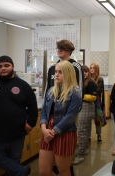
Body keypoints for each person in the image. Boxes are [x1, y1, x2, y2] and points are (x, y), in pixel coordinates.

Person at [0, 55, 38, 176]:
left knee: (14, 161)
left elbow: (32, 105)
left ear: (13, 67)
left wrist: (31, 122)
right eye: (0, 66)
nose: (3, 68)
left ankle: (20, 171)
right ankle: (23, 171)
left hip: (17, 132)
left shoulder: (22, 85)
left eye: (6, 65)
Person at [45, 39, 84, 175]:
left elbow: (78, 89)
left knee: (65, 155)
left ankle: (67, 169)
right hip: (52, 113)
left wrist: (73, 115)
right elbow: (48, 89)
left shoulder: (75, 66)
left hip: (68, 112)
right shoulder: (53, 67)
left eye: (62, 48)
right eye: (58, 48)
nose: (59, 50)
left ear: (69, 51)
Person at [74, 65, 97, 165]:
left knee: (82, 131)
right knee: (85, 130)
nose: (84, 73)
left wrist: (80, 97)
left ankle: (80, 155)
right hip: (81, 107)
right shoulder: (79, 82)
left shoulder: (91, 82)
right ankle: (84, 148)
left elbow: (93, 97)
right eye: (82, 72)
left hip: (87, 107)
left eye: (86, 71)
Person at [90, 62, 105, 142]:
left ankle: (99, 134)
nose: (92, 69)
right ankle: (88, 136)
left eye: (94, 68)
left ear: (97, 70)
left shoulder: (100, 79)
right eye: (91, 68)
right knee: (88, 119)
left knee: (98, 118)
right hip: (89, 100)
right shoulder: (87, 78)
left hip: (97, 101)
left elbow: (98, 90)